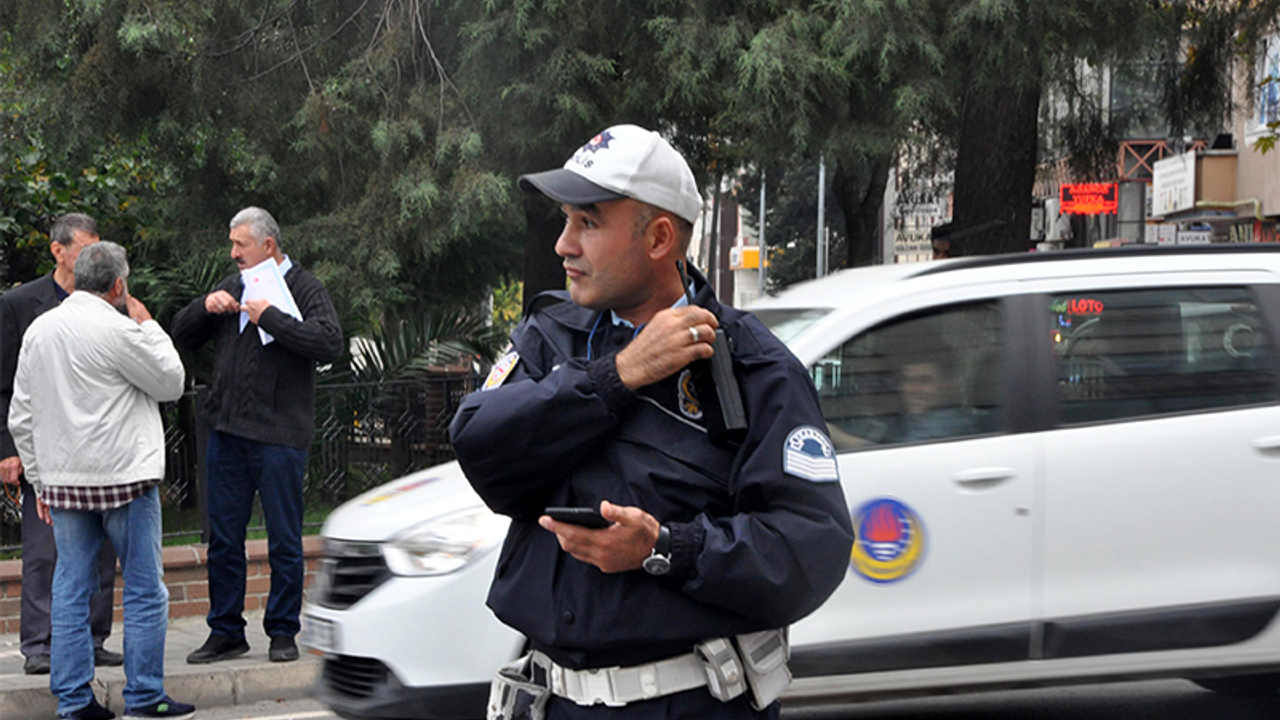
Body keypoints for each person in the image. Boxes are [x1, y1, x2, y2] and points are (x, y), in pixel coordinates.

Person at [449, 124, 855, 720]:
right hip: (552, 701)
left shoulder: (753, 367)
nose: (564, 245)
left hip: (689, 702)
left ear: (660, 237)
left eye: (587, 223)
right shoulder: (550, 337)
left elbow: (810, 550)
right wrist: (616, 376)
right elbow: (480, 445)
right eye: (565, 221)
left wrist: (666, 548)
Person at [9, 241, 193, 720]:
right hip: (125, 482)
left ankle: (73, 702)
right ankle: (145, 696)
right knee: (144, 589)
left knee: (69, 589)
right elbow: (171, 382)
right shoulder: (118, 328)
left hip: (65, 484)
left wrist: (41, 480)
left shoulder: (41, 330)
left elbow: (21, 415)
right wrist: (148, 324)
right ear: (118, 285)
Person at [171, 207, 343, 665]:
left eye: (239, 244)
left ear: (268, 245)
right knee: (223, 538)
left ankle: (283, 630)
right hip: (226, 432)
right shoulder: (234, 285)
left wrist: (271, 318)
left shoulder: (305, 289)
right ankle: (226, 630)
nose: (233, 253)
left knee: (284, 538)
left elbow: (329, 343)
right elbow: (180, 333)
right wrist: (205, 306)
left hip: (279, 435)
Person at [0, 213, 123, 676]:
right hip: (45, 449)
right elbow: (5, 385)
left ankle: (94, 638)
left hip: (99, 449)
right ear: (59, 250)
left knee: (102, 550)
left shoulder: (110, 301)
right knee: (44, 549)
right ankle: (38, 644)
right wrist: (7, 448)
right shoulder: (19, 304)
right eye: (87, 246)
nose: (95, 254)